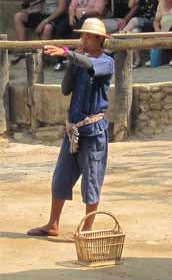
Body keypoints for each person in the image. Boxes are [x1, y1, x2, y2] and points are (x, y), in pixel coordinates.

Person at [26, 18, 114, 237]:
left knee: (91, 181)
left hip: (93, 132)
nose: (82, 39)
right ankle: (53, 224)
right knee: (60, 178)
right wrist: (71, 62)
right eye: (82, 35)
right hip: (74, 130)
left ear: (99, 39)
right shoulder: (79, 61)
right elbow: (66, 89)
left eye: (87, 36)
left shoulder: (106, 61)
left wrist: (68, 53)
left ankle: (87, 229)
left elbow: (91, 66)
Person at [12, 0, 70, 64]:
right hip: (44, 13)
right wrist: (29, 11)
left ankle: (40, 61)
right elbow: (40, 5)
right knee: (18, 16)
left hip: (57, 15)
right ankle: (23, 52)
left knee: (47, 28)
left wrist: (44, 22)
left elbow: (62, 8)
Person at [53, 0, 107, 72]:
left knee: (76, 30)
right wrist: (70, 17)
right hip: (76, 17)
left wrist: (82, 13)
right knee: (60, 29)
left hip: (91, 19)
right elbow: (72, 6)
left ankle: (70, 58)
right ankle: (60, 60)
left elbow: (98, 9)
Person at [121, 0, 158, 68]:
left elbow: (162, 3)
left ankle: (119, 37)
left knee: (134, 21)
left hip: (152, 22)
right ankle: (137, 60)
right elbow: (130, 5)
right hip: (141, 23)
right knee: (134, 32)